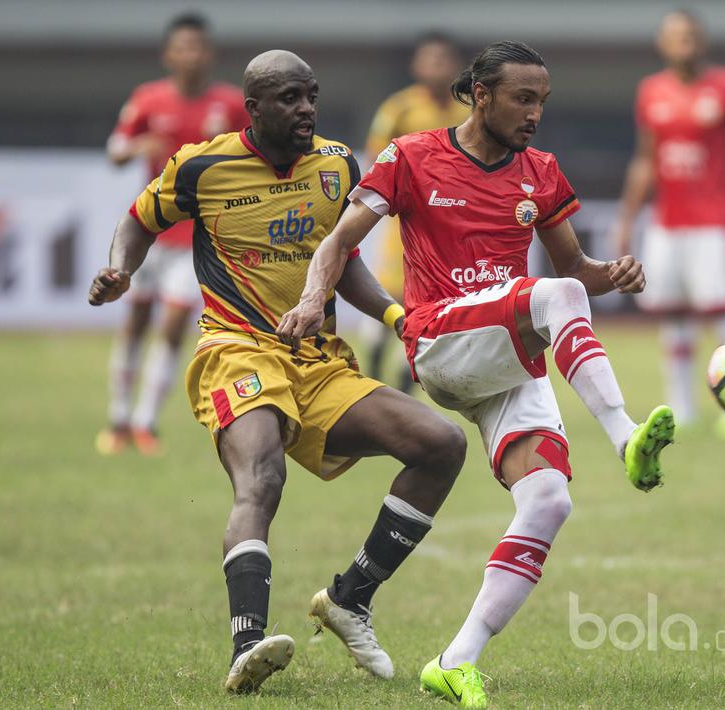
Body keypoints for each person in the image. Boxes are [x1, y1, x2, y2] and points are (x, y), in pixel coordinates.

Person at [279, 41, 676, 708]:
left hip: (502, 351)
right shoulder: (411, 156)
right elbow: (338, 242)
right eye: (523, 99)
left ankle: (455, 660)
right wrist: (315, 297)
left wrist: (615, 274)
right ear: (480, 95)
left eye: (542, 101)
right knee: (551, 296)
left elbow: (577, 272)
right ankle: (624, 436)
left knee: (548, 501)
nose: (534, 113)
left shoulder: (539, 171)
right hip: (440, 338)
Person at [88, 50, 467, 695]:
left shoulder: (337, 164)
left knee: (441, 444)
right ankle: (248, 646)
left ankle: (351, 598)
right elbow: (139, 219)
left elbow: (342, 259)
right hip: (237, 351)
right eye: (290, 99)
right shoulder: (201, 166)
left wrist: (396, 315)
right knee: (262, 477)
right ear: (254, 109)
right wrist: (121, 269)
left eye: (311, 95)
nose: (306, 109)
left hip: (316, 362)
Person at [610, 8, 725, 437]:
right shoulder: (651, 91)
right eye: (677, 35)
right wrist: (626, 218)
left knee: (724, 310)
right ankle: (682, 409)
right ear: (662, 44)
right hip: (667, 220)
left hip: (715, 220)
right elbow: (645, 159)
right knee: (673, 314)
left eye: (692, 35)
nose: (686, 42)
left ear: (703, 42)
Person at [97, 12, 249, 455]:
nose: (191, 55)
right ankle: (118, 418)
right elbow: (115, 150)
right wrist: (136, 147)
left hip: (198, 238)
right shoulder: (148, 99)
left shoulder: (230, 104)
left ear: (210, 54)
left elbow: (253, 153)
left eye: (198, 47)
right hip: (150, 232)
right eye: (183, 47)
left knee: (174, 325)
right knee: (136, 321)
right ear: (169, 55)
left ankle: (145, 423)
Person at [362, 32, 471, 393]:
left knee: (428, 307)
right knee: (391, 294)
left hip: (448, 226)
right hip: (405, 222)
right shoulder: (399, 109)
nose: (437, 66)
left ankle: (404, 387)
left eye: (444, 59)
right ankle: (373, 364)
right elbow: (376, 157)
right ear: (416, 66)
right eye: (430, 59)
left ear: (456, 66)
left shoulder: (468, 110)